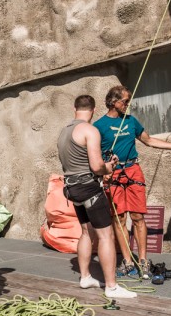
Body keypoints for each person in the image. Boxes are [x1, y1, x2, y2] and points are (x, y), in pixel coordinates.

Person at [94, 85, 171, 280]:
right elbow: (94, 155)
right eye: (125, 101)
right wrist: (101, 172)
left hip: (132, 171)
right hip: (112, 174)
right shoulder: (98, 126)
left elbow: (149, 141)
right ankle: (128, 262)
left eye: (128, 101)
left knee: (138, 217)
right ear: (113, 102)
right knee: (119, 219)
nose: (128, 105)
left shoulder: (131, 122)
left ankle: (143, 261)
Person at [58, 95, 137, 299]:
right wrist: (108, 166)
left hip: (72, 189)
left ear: (75, 108)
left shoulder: (64, 131)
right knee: (105, 236)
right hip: (89, 188)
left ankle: (85, 277)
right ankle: (111, 287)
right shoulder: (90, 130)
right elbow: (96, 166)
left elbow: (72, 163)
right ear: (92, 110)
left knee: (86, 232)